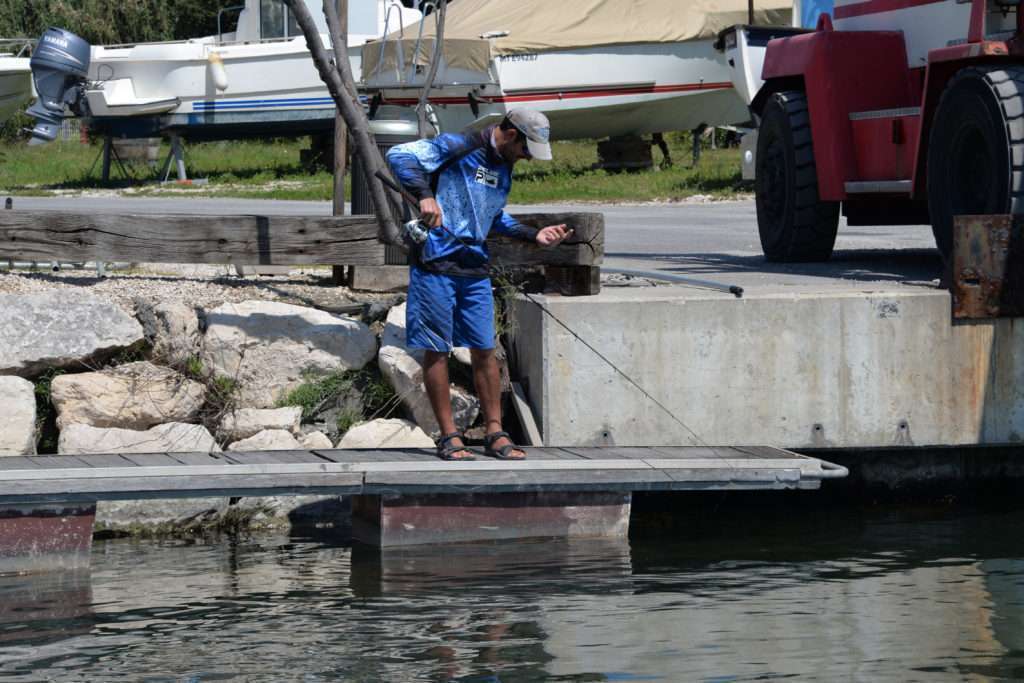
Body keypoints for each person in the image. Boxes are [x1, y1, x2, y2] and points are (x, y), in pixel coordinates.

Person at [386, 108, 571, 461]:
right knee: (436, 349)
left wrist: (535, 235)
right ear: (512, 134)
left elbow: (493, 215)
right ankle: (449, 437)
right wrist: (425, 194)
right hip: (435, 264)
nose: (528, 158)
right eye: (526, 149)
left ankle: (495, 432)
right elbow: (398, 155)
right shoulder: (459, 145)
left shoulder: (504, 166)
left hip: (475, 268)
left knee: (485, 348)